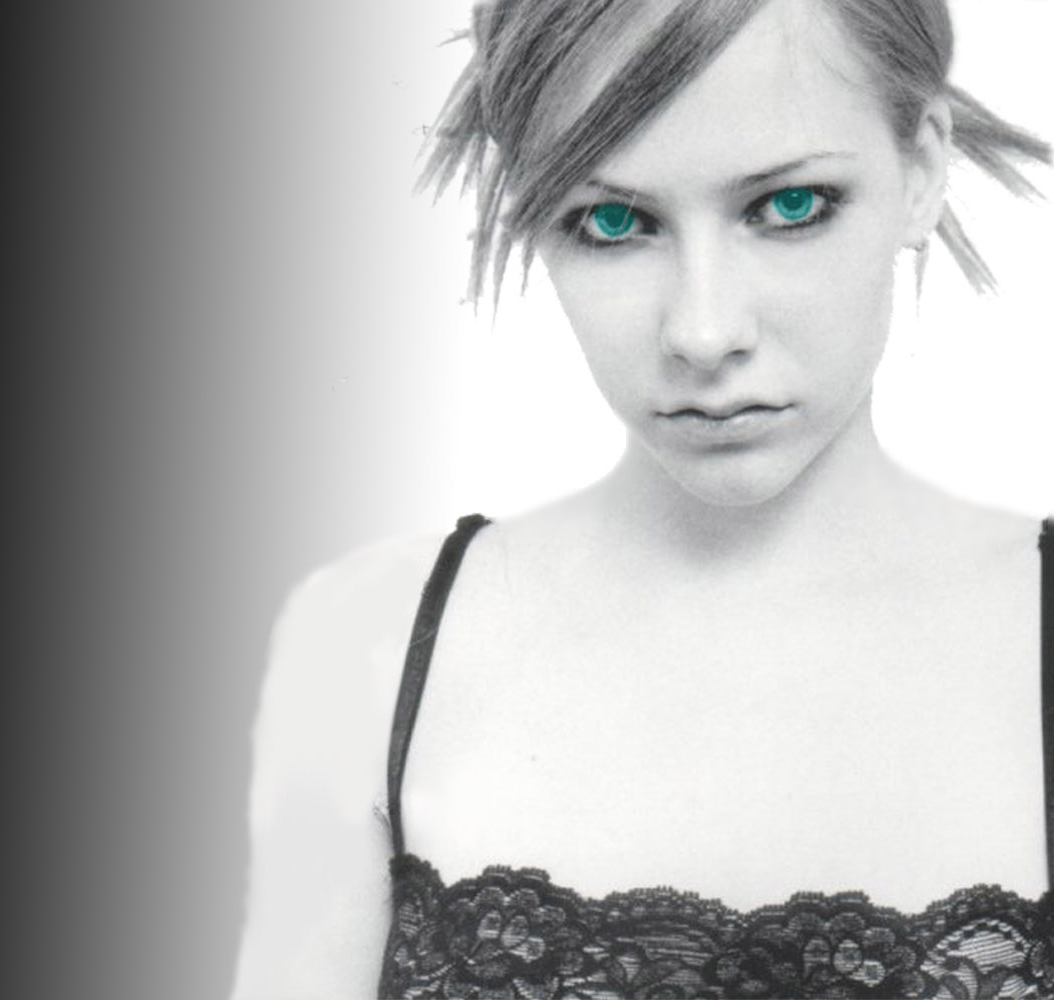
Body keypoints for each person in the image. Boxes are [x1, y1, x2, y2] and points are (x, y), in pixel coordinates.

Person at [231, 1, 1052, 996]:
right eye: (614, 223)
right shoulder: (365, 645)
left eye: (790, 206)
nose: (703, 332)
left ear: (920, 167)